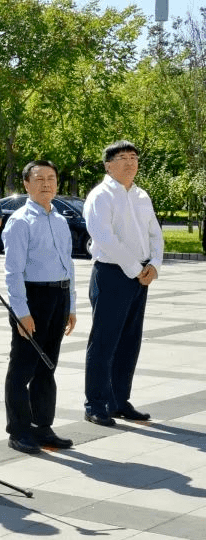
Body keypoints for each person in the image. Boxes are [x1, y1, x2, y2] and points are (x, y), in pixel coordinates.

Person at [83, 140, 164, 426]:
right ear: (108, 164)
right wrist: (134, 268)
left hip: (140, 276)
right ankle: (95, 403)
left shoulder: (142, 196)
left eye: (134, 157)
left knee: (130, 341)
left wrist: (154, 264)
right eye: (123, 157)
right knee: (104, 342)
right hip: (112, 274)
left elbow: (155, 232)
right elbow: (104, 237)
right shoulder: (101, 196)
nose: (130, 162)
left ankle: (119, 400)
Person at [2, 160, 76, 454]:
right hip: (33, 299)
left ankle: (42, 426)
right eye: (40, 179)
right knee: (23, 368)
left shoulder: (59, 219)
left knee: (48, 366)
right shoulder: (20, 221)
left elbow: (68, 264)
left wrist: (71, 305)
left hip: (58, 297)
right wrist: (22, 312)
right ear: (27, 185)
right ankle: (18, 430)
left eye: (51, 178)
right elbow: (12, 272)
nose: (47, 184)